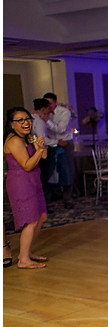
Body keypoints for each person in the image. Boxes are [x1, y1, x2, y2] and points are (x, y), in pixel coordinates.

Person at [3, 107, 49, 269]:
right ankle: (23, 260)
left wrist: (40, 146)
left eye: (28, 119)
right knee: (31, 220)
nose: (26, 123)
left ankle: (26, 252)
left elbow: (43, 156)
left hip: (33, 181)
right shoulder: (13, 140)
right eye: (20, 120)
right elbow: (27, 165)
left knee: (41, 216)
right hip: (20, 182)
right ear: (12, 124)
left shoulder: (27, 137)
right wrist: (38, 150)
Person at [44, 93, 75, 209]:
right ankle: (46, 200)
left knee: (67, 170)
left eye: (50, 103)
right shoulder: (44, 113)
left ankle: (68, 199)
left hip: (65, 143)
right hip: (50, 144)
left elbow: (60, 129)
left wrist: (47, 121)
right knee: (49, 171)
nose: (48, 106)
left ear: (55, 103)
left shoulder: (64, 112)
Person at [31, 98, 51, 198]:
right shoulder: (39, 121)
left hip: (32, 152)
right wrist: (56, 142)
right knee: (43, 178)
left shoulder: (30, 118)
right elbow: (42, 139)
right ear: (43, 108)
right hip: (41, 152)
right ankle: (43, 204)